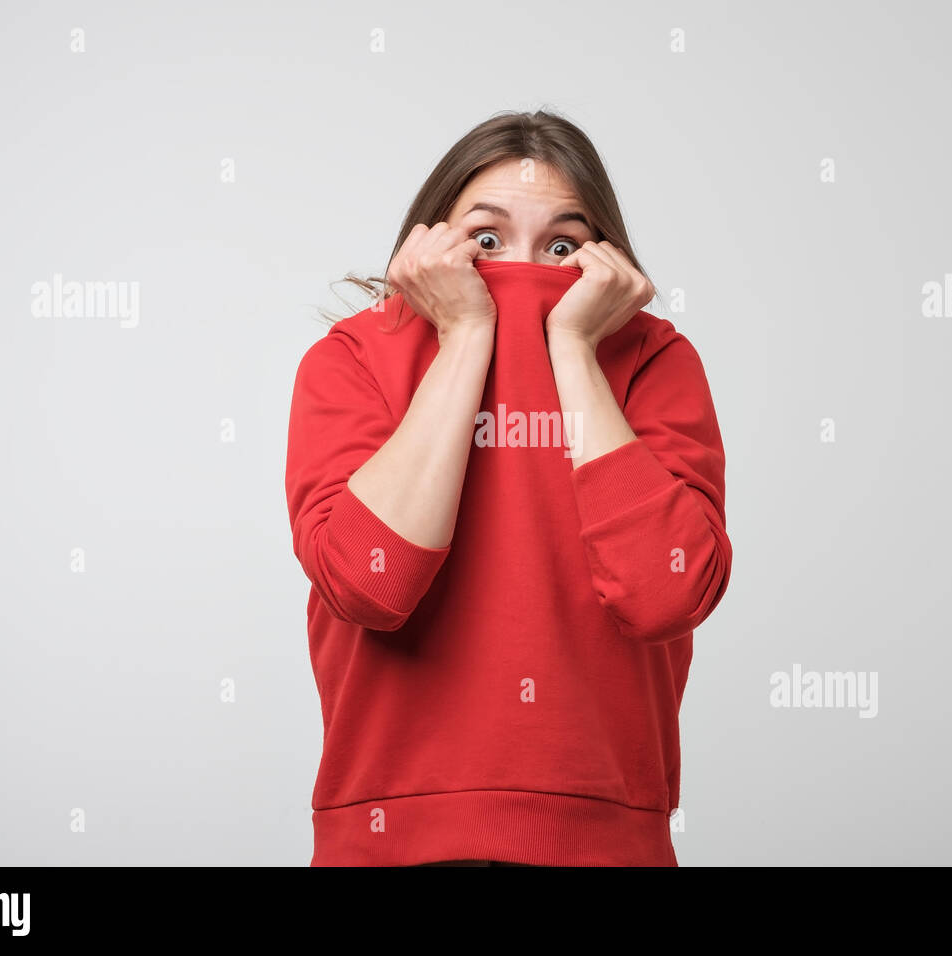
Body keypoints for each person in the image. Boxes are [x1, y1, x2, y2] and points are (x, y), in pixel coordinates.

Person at [285, 109, 732, 866]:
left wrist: (574, 349)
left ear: (604, 261)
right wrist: (464, 336)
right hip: (389, 844)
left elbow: (665, 593)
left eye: (563, 245)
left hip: (604, 844)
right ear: (430, 242)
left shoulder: (656, 361)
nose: (521, 269)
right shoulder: (352, 359)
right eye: (485, 240)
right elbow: (371, 583)